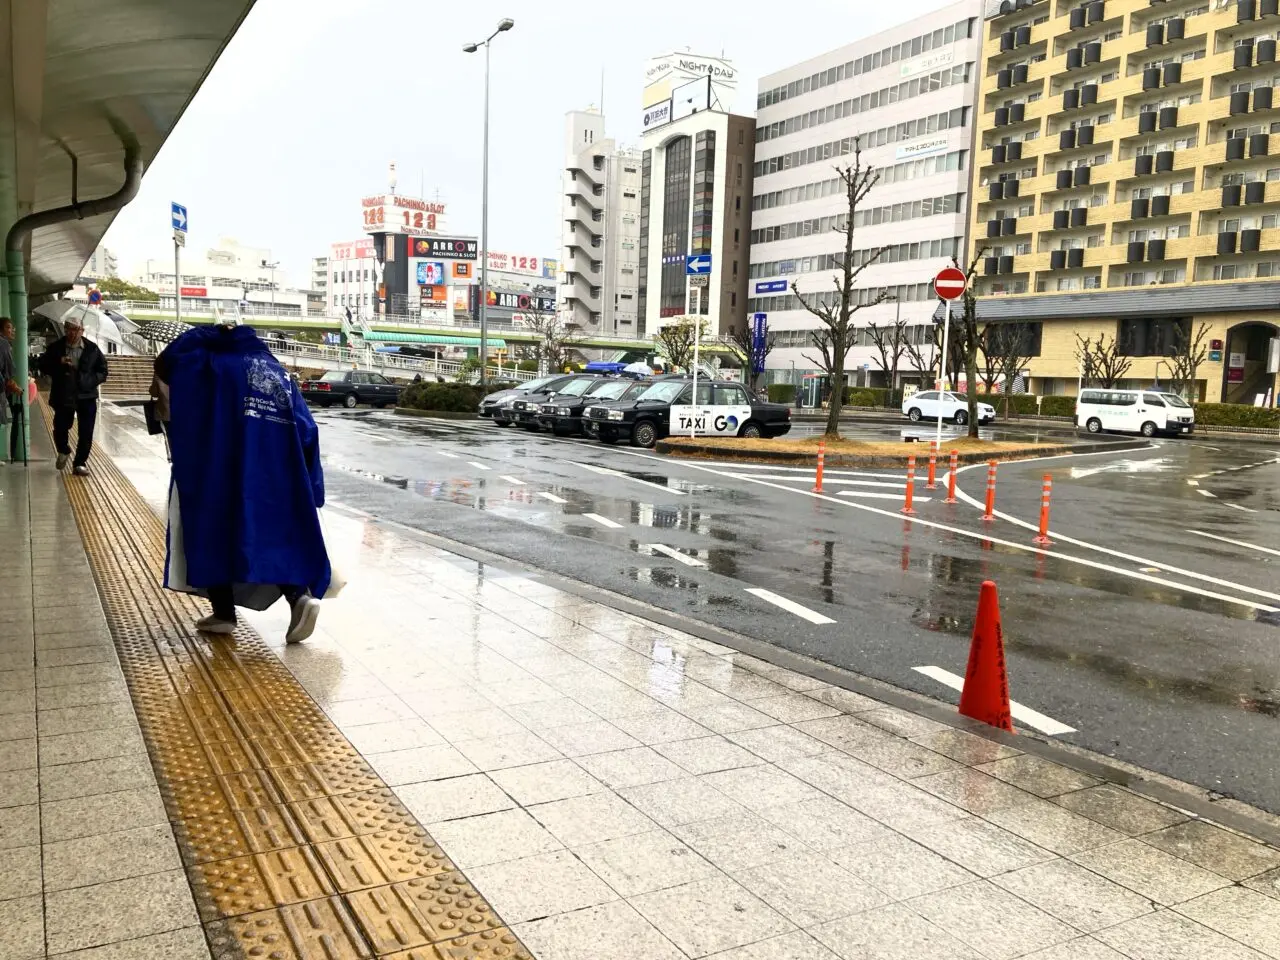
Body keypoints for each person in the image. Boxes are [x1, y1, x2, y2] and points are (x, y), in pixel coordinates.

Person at [156, 321, 329, 643]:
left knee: (211, 535)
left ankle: (223, 611)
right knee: (275, 536)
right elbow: (306, 428)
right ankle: (299, 599)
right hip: (276, 472)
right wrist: (313, 486)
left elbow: (170, 410)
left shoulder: (201, 366)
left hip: (213, 469)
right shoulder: (273, 369)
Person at [39, 315, 108, 475]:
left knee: (86, 431)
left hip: (87, 396)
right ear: (65, 330)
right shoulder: (56, 348)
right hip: (63, 394)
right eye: (69, 328)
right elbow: (43, 366)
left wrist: (88, 381)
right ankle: (63, 449)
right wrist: (59, 362)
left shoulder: (92, 348)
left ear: (82, 330)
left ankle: (80, 463)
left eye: (76, 329)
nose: (72, 333)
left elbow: (103, 371)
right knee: (60, 427)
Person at [1, 317, 20, 462]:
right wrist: (13, 385)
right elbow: (8, 371)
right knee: (3, 423)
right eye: (8, 327)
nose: (12, 330)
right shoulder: (4, 344)